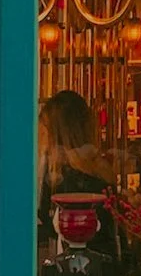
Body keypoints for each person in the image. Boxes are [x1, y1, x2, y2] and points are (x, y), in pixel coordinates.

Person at [37, 91, 118, 260]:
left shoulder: (61, 179)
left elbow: (52, 226)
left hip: (76, 271)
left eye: (43, 133)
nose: (39, 139)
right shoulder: (99, 173)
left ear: (56, 136)